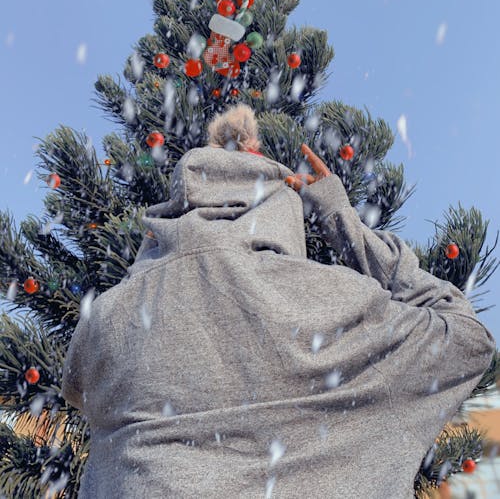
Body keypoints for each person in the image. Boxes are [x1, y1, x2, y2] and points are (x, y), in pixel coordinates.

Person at [61, 103, 496, 499]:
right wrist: (340, 218)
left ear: (175, 209)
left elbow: (76, 388)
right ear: (279, 208)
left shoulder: (104, 322)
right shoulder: (340, 305)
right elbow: (468, 339)